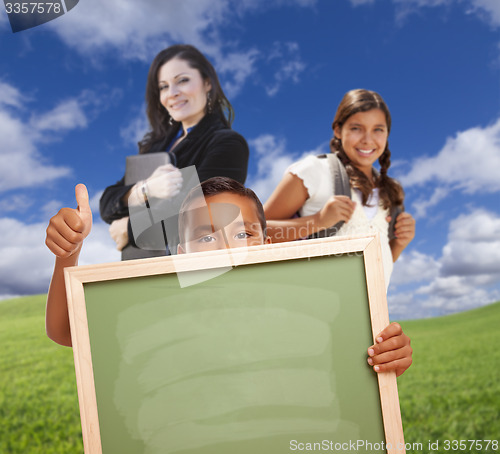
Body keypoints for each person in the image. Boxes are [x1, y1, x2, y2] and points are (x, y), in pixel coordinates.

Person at [45, 178, 412, 377]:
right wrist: (68, 254)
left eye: (243, 233)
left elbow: (355, 362)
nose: (225, 247)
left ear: (266, 244)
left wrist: (388, 356)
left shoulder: (307, 314)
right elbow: (64, 331)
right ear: (182, 254)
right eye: (206, 236)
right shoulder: (159, 313)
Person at [100, 44, 249, 260]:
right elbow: (107, 203)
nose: (172, 93)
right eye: (163, 86)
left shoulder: (227, 143)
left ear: (207, 83)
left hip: (194, 269)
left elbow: (203, 216)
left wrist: (129, 229)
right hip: (143, 269)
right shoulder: (156, 148)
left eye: (183, 80)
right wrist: (145, 190)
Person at [264, 89, 416, 288]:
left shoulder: (391, 190)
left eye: (378, 129)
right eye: (356, 128)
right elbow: (253, 233)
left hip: (369, 313)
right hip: (312, 308)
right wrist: (316, 222)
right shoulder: (314, 171)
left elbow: (382, 262)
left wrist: (399, 243)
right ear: (338, 129)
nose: (368, 140)